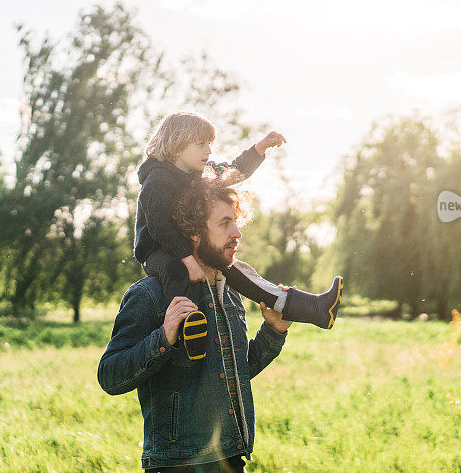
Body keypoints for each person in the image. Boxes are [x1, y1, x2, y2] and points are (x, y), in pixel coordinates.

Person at [99, 177, 291, 472]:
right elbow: (110, 376)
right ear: (194, 232)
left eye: (236, 222)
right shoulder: (150, 293)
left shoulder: (230, 292)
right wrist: (163, 338)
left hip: (230, 456)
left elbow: (235, 372)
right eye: (225, 223)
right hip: (177, 463)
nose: (237, 233)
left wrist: (274, 332)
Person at [134, 111, 343, 360]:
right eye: (201, 144)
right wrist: (187, 259)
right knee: (175, 271)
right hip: (158, 250)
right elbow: (160, 228)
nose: (208, 151)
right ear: (177, 147)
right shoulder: (157, 180)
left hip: (190, 246)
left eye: (209, 144)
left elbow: (233, 170)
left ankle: (313, 309)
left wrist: (259, 148)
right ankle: (187, 331)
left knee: (239, 270)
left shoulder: (199, 173)